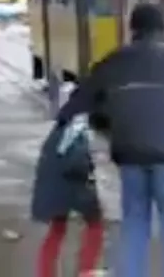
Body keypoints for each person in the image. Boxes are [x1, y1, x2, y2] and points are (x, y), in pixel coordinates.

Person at [58, 3, 164, 277]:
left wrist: (87, 122)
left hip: (129, 155)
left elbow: (78, 102)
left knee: (134, 221)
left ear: (133, 29)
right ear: (163, 28)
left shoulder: (113, 61)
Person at [31, 114, 105, 277]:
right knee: (95, 224)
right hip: (72, 185)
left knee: (57, 229)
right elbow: (77, 163)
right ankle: (86, 270)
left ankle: (45, 273)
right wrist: (90, 169)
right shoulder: (79, 128)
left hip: (51, 185)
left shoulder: (59, 129)